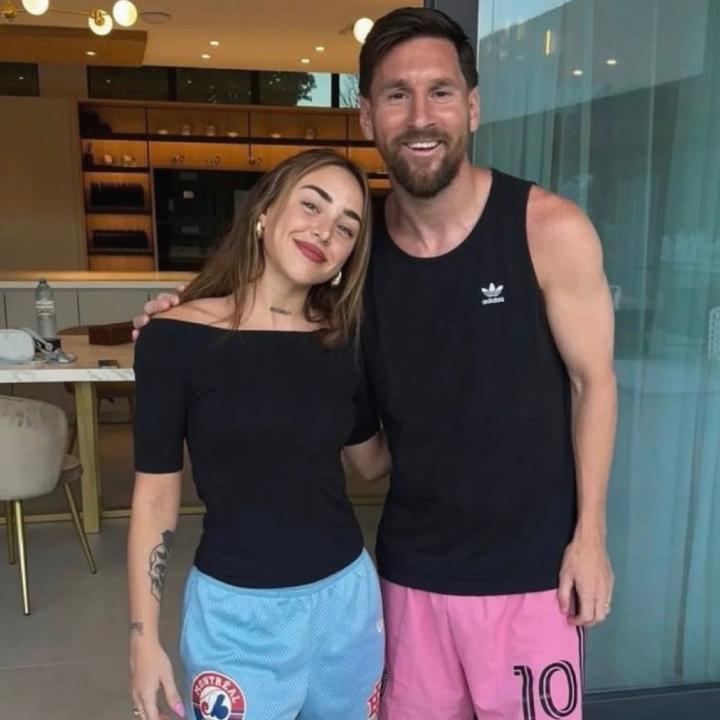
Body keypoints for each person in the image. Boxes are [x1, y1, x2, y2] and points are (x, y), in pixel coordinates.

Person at [135, 8, 617, 719]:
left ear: (472, 106)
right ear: (367, 116)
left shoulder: (550, 230)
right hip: (405, 576)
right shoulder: (355, 261)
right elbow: (278, 334)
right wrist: (179, 319)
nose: (420, 116)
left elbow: (593, 382)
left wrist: (591, 537)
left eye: (440, 91)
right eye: (397, 94)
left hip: (531, 574)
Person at [127, 149, 390, 720]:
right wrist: (143, 640)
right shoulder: (174, 338)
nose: (324, 231)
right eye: (312, 206)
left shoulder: (342, 342)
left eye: (346, 227)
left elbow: (372, 463)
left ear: (349, 255)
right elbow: (154, 498)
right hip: (236, 616)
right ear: (264, 213)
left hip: (347, 604)